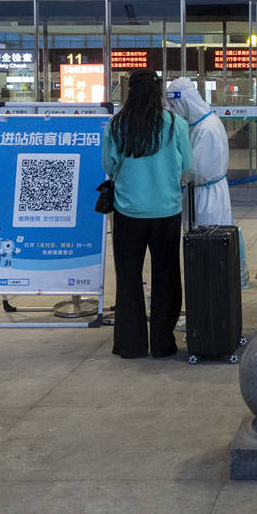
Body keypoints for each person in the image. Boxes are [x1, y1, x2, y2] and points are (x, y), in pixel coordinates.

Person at [101, 69, 192, 359]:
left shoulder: (116, 125)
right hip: (167, 211)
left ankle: (131, 344)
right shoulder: (175, 123)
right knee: (166, 275)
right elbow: (187, 165)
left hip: (128, 212)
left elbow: (109, 164)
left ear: (130, 92)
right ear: (158, 92)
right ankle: (163, 343)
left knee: (129, 277)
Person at [165, 76, 246, 289]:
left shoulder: (206, 128)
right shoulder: (200, 123)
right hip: (201, 193)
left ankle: (208, 292)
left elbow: (196, 169)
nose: (172, 109)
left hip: (205, 195)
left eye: (174, 104)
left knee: (206, 246)